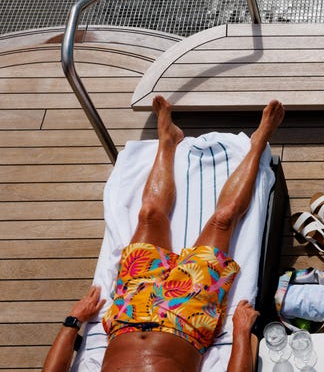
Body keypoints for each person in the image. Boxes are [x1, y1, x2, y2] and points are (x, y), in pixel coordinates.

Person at [43, 95, 285, 372]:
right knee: (223, 219)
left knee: (149, 214)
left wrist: (73, 321)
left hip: (128, 314)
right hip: (188, 319)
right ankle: (258, 143)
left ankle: (168, 141)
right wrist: (241, 333)